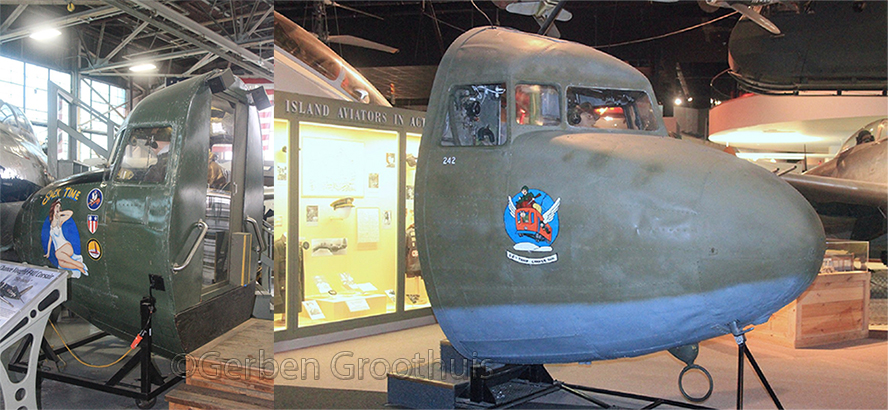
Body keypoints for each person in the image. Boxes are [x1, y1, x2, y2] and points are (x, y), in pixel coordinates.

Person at [45, 200, 88, 276]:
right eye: (56, 206)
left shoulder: (60, 220)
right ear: (53, 207)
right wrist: (48, 253)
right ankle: (79, 268)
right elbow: (50, 240)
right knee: (61, 264)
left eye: (59, 207)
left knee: (57, 254)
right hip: (59, 250)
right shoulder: (51, 222)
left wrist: (61, 213)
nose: (58, 208)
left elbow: (70, 213)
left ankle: (80, 264)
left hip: (65, 246)